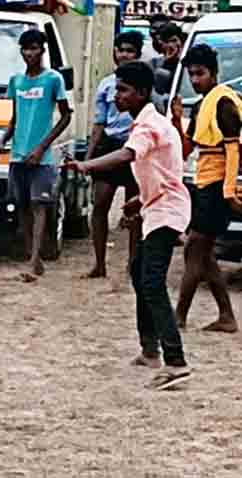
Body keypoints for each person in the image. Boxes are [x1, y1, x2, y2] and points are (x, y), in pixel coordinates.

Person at [65, 62, 192, 391]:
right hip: (159, 207)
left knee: (150, 281)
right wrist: (141, 199)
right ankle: (150, 351)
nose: (117, 95)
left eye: (123, 90)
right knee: (140, 273)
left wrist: (86, 165)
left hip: (167, 211)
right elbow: (163, 168)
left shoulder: (147, 126)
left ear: (143, 93)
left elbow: (126, 156)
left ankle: (174, 361)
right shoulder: (150, 122)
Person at [0, 29, 71, 282]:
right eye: (26, 49)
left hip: (42, 158)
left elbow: (66, 115)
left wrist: (42, 147)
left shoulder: (53, 79)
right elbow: (15, 119)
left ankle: (35, 259)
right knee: (22, 206)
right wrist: (1, 143)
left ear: (42, 50)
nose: (30, 54)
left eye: (34, 49)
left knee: (39, 206)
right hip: (18, 154)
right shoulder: (17, 81)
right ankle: (31, 256)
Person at [170, 44, 240, 333]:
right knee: (203, 253)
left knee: (194, 249)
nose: (195, 80)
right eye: (192, 75)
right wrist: (176, 120)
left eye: (200, 74)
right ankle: (226, 316)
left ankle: (179, 317)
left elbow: (233, 149)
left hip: (216, 185)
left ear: (213, 72)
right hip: (203, 181)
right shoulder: (202, 105)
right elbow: (187, 147)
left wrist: (228, 190)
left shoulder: (223, 103)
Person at [84, 31, 144, 279]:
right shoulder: (106, 84)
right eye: (121, 50)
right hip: (110, 145)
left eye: (130, 50)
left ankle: (133, 263)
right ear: (114, 53)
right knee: (100, 205)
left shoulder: (145, 84)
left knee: (134, 211)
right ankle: (99, 263)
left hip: (136, 146)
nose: (125, 55)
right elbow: (99, 122)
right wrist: (88, 157)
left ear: (138, 54)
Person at [150, 22, 184, 115]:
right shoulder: (154, 64)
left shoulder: (187, 63)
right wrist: (167, 63)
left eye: (174, 40)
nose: (171, 45)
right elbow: (157, 91)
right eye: (167, 42)